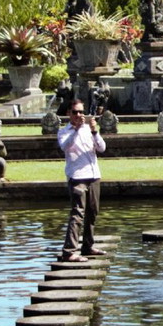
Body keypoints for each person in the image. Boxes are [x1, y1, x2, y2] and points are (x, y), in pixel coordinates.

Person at [58, 100, 108, 262]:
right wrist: (77, 129)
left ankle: (88, 246)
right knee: (77, 214)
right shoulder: (64, 132)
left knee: (92, 212)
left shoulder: (89, 129)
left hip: (93, 175)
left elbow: (101, 148)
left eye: (81, 112)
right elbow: (66, 146)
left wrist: (94, 131)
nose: (79, 115)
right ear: (68, 113)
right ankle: (69, 251)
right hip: (77, 176)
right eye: (75, 112)